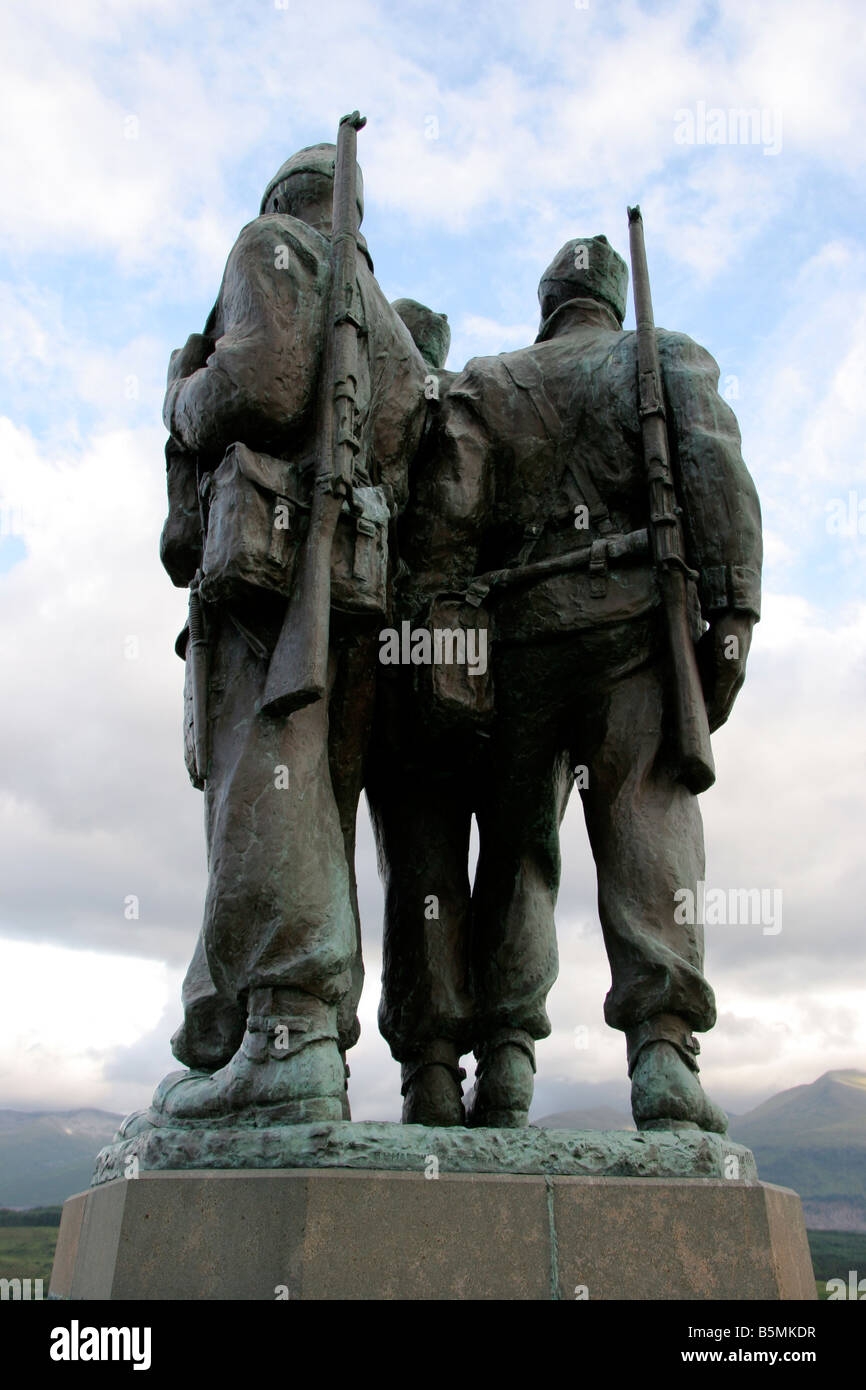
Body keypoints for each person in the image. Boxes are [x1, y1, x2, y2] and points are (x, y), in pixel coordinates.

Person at [368, 235, 761, 1131]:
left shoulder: (485, 382)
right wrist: (732, 620)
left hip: (520, 647)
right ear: (613, 303)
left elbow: (447, 525)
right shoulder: (664, 357)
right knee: (648, 834)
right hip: (635, 637)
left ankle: (507, 1057)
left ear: (547, 303)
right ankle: (663, 1054)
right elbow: (716, 474)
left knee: (518, 853)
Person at [149, 143, 429, 1125]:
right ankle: (262, 1023)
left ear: (281, 201)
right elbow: (401, 434)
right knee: (307, 793)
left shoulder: (272, 247)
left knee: (263, 778)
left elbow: (259, 383)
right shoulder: (381, 308)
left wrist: (184, 394)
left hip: (271, 571)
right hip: (353, 577)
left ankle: (288, 1038)